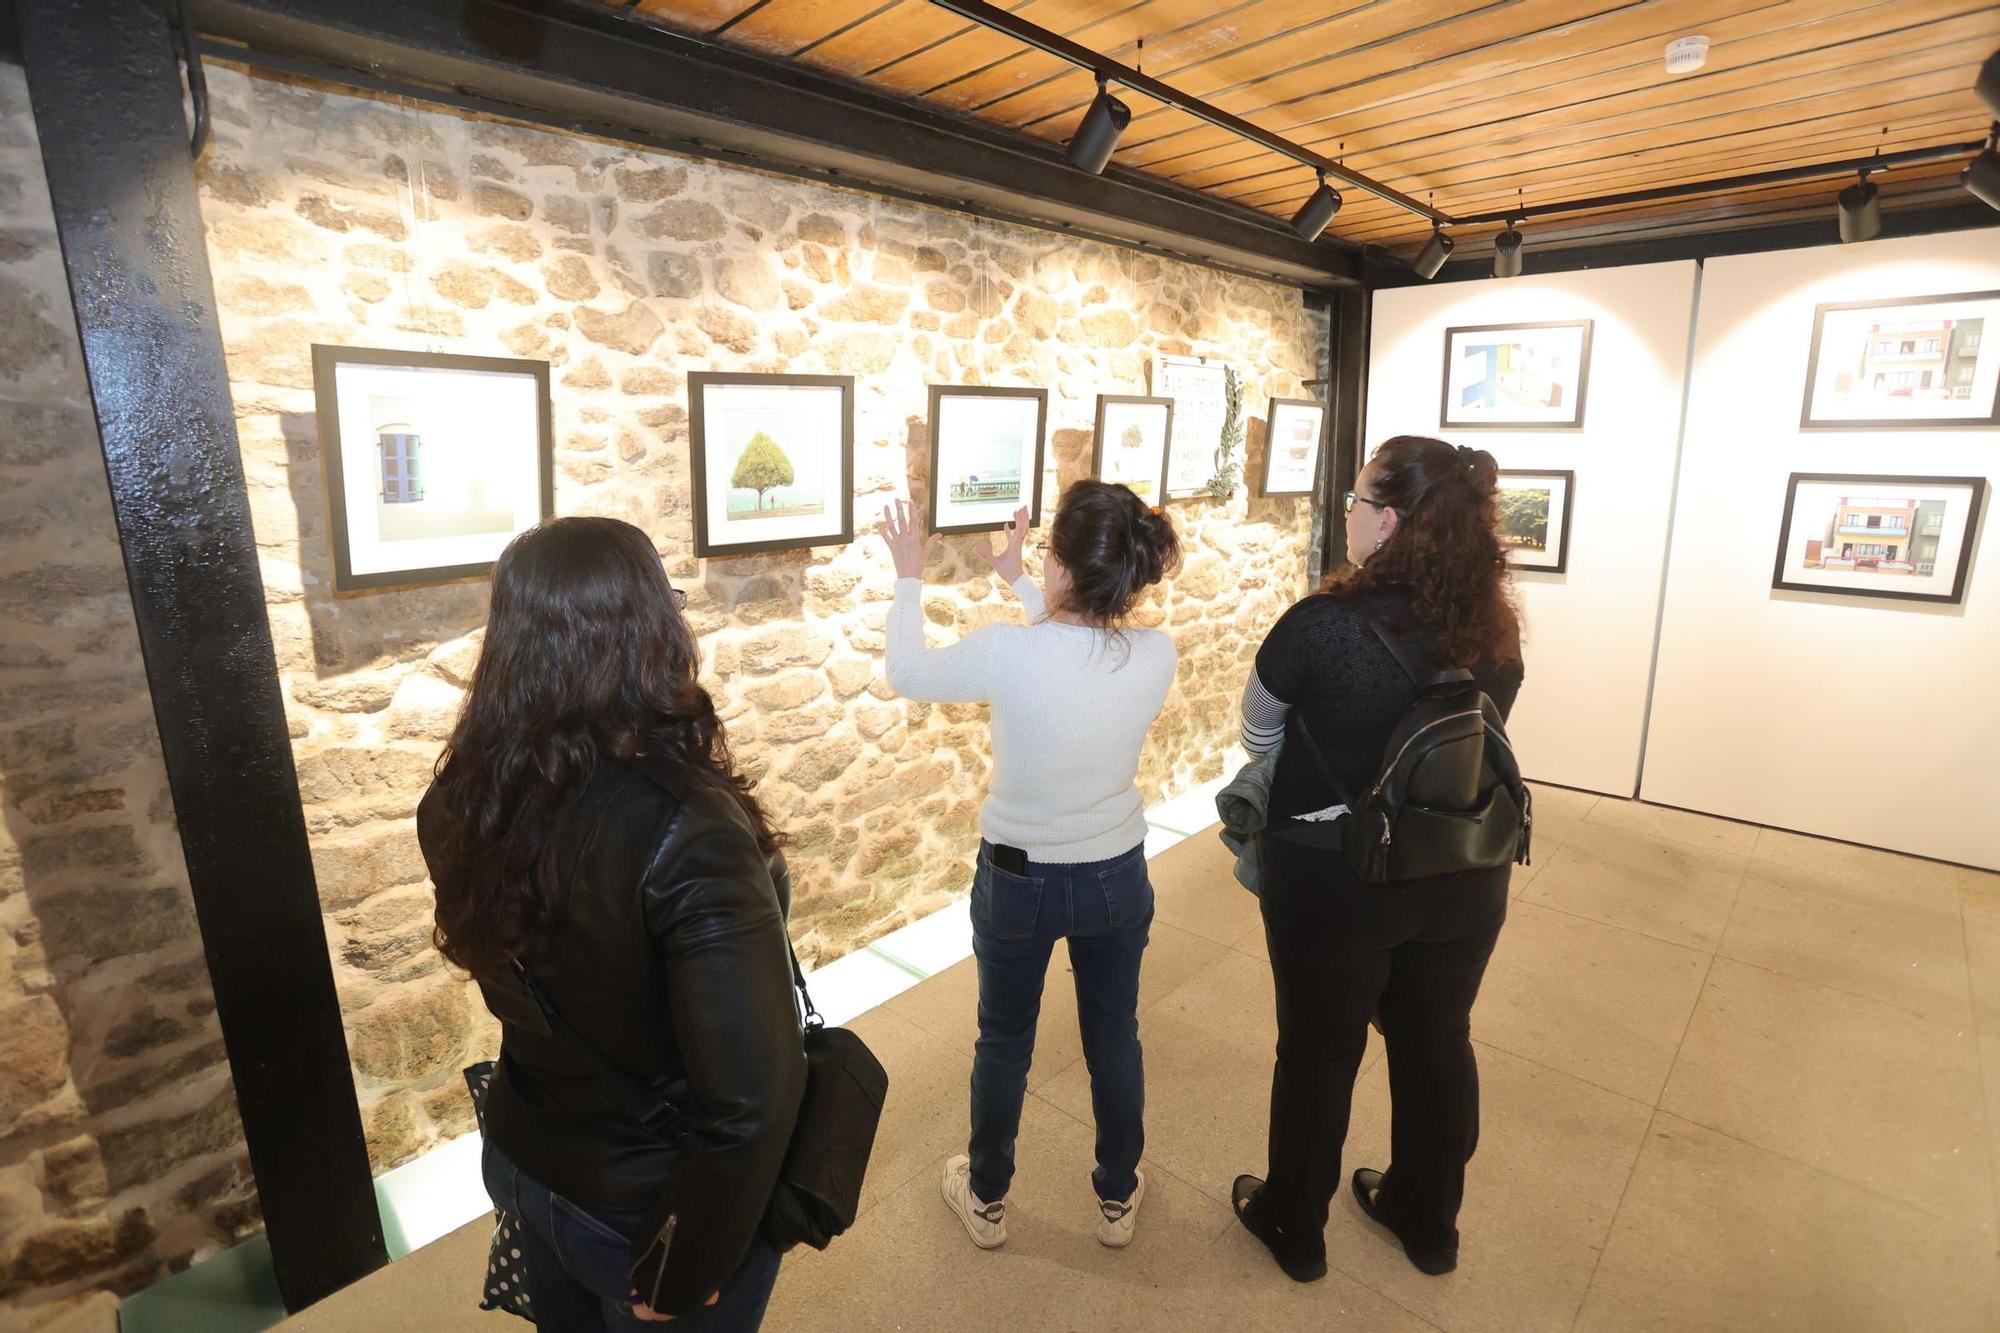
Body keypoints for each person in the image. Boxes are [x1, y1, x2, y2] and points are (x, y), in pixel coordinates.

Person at [418, 517, 806, 1331]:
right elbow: (749, 1102)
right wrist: (688, 1261)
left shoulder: (459, 799)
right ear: (650, 626)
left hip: (528, 1154)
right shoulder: (686, 826)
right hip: (646, 1206)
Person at [1231, 435, 1525, 1283]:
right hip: (1465, 865)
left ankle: (1296, 1225)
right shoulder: (1494, 629)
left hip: (1336, 875)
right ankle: (1427, 1223)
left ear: (1389, 521)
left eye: (1358, 501)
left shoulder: (1320, 626)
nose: (1349, 514)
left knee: (1320, 1051)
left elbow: (1258, 735)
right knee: (1437, 1037)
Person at [875, 482, 1180, 1252]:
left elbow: (909, 671)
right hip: (1115, 872)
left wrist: (909, 572)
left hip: (1016, 877)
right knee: (1114, 1034)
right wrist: (1017, 573)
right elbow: (1073, 650)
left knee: (1004, 1039)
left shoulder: (1009, 652)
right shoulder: (1155, 653)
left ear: (1065, 568)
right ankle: (1117, 1196)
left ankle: (985, 1196)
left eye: (1045, 553)